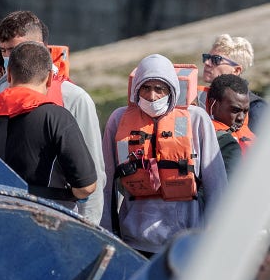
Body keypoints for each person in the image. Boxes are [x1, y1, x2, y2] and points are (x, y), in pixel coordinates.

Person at [0, 11, 106, 225]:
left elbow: (92, 175)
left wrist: (89, 229)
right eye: (4, 51)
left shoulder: (74, 99)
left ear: (41, 47)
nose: (9, 58)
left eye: (14, 49)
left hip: (54, 218)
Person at [101, 54, 227, 257]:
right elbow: (105, 181)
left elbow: (217, 185)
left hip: (184, 242)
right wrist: (105, 231)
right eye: (146, 88)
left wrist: (212, 237)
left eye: (159, 89)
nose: (151, 96)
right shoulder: (118, 119)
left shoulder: (197, 120)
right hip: (132, 241)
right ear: (136, 90)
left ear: (172, 91)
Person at [0, 41, 97, 203]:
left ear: (8, 75)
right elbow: (85, 187)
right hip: (41, 218)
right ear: (50, 78)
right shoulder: (56, 117)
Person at [200, 34, 266, 133]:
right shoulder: (201, 99)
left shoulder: (256, 109)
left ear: (236, 70)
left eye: (216, 59)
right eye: (207, 57)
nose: (207, 63)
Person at [206, 74, 255, 178]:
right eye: (235, 110)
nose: (241, 118)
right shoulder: (204, 138)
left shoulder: (248, 133)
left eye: (245, 111)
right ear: (212, 105)